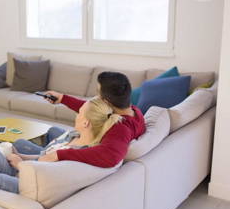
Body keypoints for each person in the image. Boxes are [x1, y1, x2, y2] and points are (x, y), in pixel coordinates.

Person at [13, 71, 146, 168]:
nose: (96, 95)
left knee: (19, 143)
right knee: (54, 130)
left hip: (85, 146)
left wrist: (60, 154)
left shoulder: (121, 129)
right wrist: (62, 98)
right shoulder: (134, 111)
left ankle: (39, 155)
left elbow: (111, 156)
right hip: (90, 138)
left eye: (98, 92)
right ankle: (44, 150)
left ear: (106, 101)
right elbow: (92, 111)